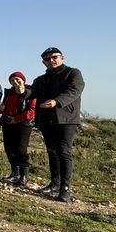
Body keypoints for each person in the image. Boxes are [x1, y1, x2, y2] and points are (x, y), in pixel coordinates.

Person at [32, 47, 85, 202]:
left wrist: (57, 101)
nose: (51, 61)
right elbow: (31, 92)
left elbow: (74, 90)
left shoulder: (73, 73)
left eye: (54, 57)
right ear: (43, 62)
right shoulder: (41, 79)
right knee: (52, 151)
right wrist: (20, 91)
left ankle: (65, 188)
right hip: (46, 119)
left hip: (66, 119)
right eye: (47, 59)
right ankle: (55, 183)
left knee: (63, 151)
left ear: (62, 57)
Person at [0, 71, 36, 186]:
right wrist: (1, 109)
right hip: (8, 123)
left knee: (21, 149)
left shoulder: (31, 93)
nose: (15, 82)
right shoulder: (9, 93)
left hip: (23, 124)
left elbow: (32, 111)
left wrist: (17, 119)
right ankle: (14, 173)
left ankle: (24, 176)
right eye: (12, 80)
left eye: (17, 79)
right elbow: (4, 108)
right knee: (9, 149)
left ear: (23, 80)